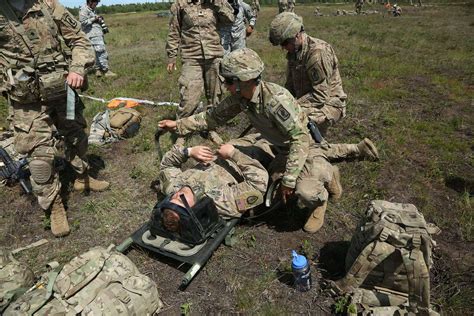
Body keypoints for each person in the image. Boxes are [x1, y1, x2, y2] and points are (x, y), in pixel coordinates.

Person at [158, 48, 377, 233]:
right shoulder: (241, 96)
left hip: (296, 147)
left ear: (242, 80)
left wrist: (289, 180)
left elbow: (300, 140)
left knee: (304, 189)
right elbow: (211, 117)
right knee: (273, 156)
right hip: (273, 141)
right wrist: (178, 126)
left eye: (228, 81)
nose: (225, 85)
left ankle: (321, 196)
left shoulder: (275, 101)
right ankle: (351, 151)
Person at [0, 0, 110, 237]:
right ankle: (54, 205)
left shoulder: (48, 5)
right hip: (26, 100)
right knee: (39, 156)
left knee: (77, 135)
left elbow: (79, 40)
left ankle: (82, 177)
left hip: (63, 90)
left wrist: (78, 67)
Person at [269, 12, 347, 136]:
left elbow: (320, 95)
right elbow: (290, 87)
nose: (283, 48)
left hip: (329, 104)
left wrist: (291, 106)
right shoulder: (294, 53)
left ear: (296, 35)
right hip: (308, 102)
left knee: (293, 125)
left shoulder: (317, 54)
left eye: (284, 43)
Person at [158, 142, 269, 219]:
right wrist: (233, 154)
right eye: (182, 200)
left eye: (173, 199)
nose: (177, 195)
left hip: (225, 149)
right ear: (196, 208)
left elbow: (167, 165)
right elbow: (258, 186)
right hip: (254, 157)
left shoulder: (172, 187)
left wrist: (189, 152)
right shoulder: (222, 202)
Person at [166, 0, 235, 119]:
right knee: (189, 97)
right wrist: (172, 56)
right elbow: (174, 31)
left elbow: (229, 20)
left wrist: (218, 3)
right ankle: (182, 130)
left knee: (215, 97)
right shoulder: (180, 4)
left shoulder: (216, 2)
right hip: (191, 57)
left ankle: (211, 128)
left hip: (214, 55)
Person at [79, 0, 116, 77]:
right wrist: (94, 19)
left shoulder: (91, 10)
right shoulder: (84, 9)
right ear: (90, 1)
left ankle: (98, 70)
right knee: (101, 52)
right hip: (93, 35)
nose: (97, 4)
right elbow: (82, 23)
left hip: (96, 33)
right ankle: (106, 71)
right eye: (96, 2)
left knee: (96, 53)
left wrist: (98, 19)